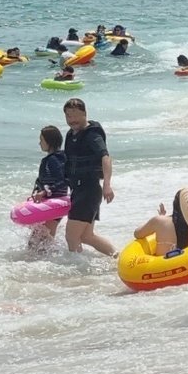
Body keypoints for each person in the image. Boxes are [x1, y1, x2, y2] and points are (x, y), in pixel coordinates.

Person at [61, 99, 115, 257]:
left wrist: (107, 184)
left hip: (89, 190)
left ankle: (77, 270)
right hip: (80, 190)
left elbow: (106, 157)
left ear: (85, 113)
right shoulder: (71, 135)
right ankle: (116, 256)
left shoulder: (92, 135)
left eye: (76, 115)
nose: (72, 120)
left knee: (71, 237)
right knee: (86, 236)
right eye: (68, 116)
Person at [27, 125, 69, 247]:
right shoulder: (60, 158)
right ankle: (51, 262)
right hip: (55, 203)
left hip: (53, 204)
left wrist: (44, 192)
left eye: (42, 140)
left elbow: (63, 180)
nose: (39, 143)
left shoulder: (53, 160)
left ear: (49, 142)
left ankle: (46, 264)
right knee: (43, 239)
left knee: (37, 241)